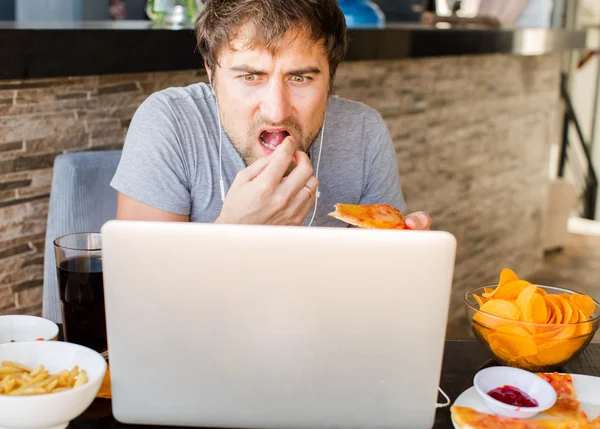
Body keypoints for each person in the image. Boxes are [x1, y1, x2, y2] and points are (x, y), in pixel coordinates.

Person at [111, 0, 432, 230]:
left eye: (300, 78)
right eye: (250, 77)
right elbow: (141, 300)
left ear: (331, 77)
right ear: (211, 73)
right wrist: (234, 232)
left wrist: (399, 268)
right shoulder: (170, 124)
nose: (277, 111)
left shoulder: (363, 133)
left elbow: (373, 298)